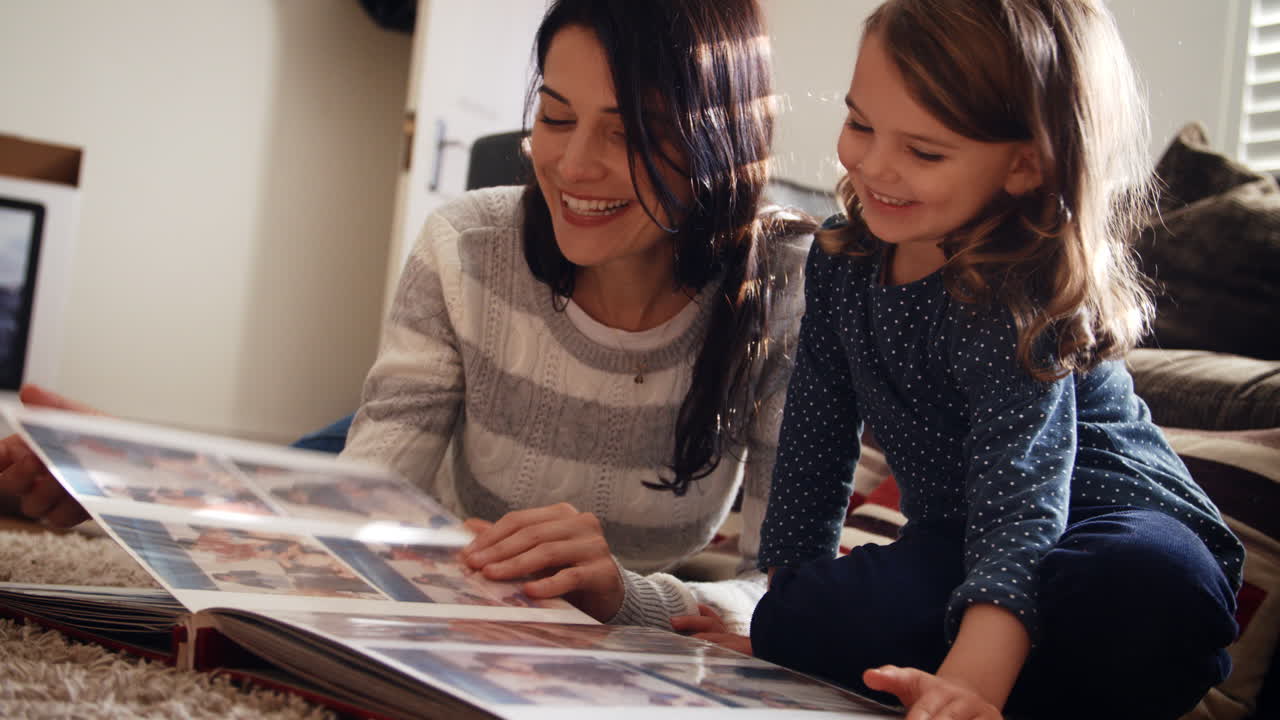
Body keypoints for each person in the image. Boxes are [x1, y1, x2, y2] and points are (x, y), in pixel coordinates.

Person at [0, 0, 814, 636]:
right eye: (556, 117)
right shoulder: (468, 245)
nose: (571, 166)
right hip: (426, 462)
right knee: (282, 499)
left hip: (443, 452)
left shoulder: (789, 288)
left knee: (292, 477)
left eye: (631, 134)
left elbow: (789, 597)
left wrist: (626, 597)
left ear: (721, 140)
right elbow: (363, 504)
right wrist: (146, 491)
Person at [698, 2, 1243, 719]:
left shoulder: (1019, 288)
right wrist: (784, 617)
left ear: (1025, 165)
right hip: (960, 540)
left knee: (1148, 587)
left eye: (924, 152)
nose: (872, 165)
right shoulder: (843, 262)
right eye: (860, 123)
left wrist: (972, 687)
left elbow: (1026, 500)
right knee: (812, 618)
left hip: (1108, 526)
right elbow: (814, 440)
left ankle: (1012, 680)